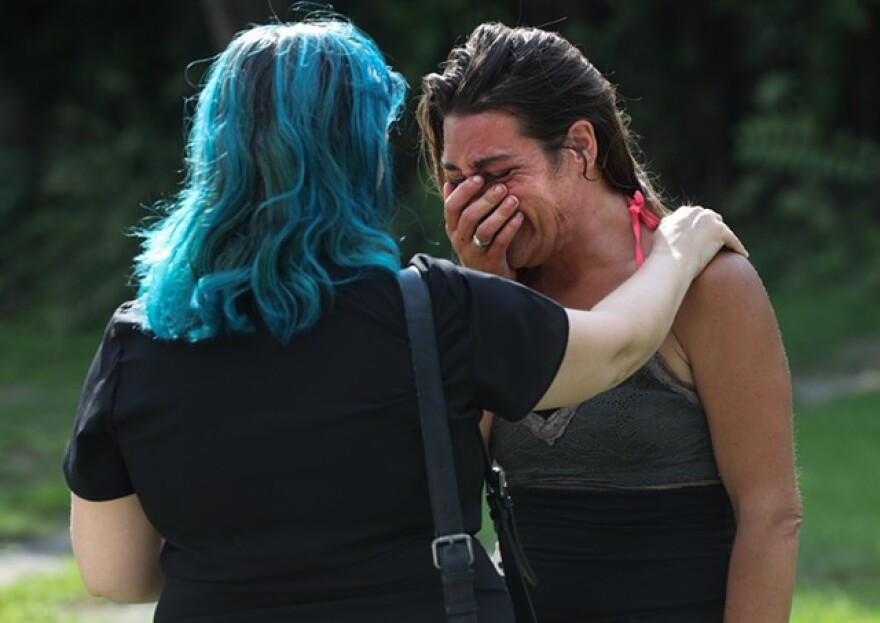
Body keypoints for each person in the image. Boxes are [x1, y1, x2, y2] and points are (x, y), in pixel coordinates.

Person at [62, 15, 744, 623]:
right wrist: (680, 246)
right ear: (361, 155)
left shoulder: (140, 341)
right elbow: (620, 346)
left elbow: (112, 572)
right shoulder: (433, 311)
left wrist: (243, 557)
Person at [417, 22, 802, 623]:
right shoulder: (478, 293)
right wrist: (489, 290)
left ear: (580, 149)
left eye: (497, 174)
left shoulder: (709, 286)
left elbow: (771, 515)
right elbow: (449, 488)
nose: (477, 202)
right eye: (455, 181)